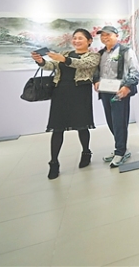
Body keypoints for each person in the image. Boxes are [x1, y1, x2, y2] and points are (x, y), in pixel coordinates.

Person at [31, 28, 100, 180]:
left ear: (89, 41)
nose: (76, 41)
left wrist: (63, 59)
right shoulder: (66, 53)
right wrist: (40, 61)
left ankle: (86, 152)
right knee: (57, 127)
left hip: (80, 92)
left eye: (80, 38)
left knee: (82, 125)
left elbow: (82, 64)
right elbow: (52, 66)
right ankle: (54, 162)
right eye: (74, 38)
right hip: (60, 92)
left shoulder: (93, 56)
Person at [93, 25, 139, 168]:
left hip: (120, 92)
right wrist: (96, 81)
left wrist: (127, 86)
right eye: (102, 35)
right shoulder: (100, 53)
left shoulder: (126, 51)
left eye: (108, 34)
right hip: (105, 92)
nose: (105, 37)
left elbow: (134, 71)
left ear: (116, 36)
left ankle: (120, 151)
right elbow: (96, 71)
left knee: (119, 122)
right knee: (111, 122)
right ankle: (121, 148)